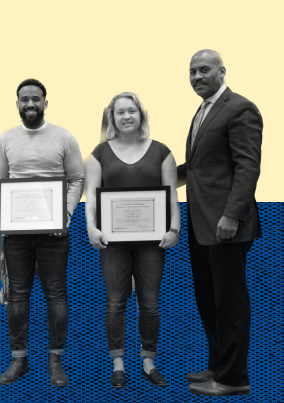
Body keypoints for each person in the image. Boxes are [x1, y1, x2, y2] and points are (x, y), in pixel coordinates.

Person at [178, 50, 262, 396]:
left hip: (226, 224)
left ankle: (233, 379)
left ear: (221, 71)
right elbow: (198, 168)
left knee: (229, 302)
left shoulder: (240, 108)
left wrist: (232, 214)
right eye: (192, 72)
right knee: (208, 300)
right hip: (201, 224)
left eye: (204, 70)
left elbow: (248, 167)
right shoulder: (202, 111)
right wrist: (149, 178)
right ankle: (218, 364)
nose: (197, 77)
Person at [85, 92, 181, 389]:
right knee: (115, 303)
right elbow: (91, 198)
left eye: (132, 111)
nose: (126, 116)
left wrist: (174, 230)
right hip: (111, 242)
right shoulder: (99, 153)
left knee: (150, 304)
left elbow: (172, 195)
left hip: (153, 242)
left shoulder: (162, 151)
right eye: (120, 112)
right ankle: (118, 364)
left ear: (141, 116)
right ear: (112, 118)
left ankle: (148, 363)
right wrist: (91, 228)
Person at [0, 79, 84, 387]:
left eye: (35, 99)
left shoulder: (64, 137)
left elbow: (76, 179)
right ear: (16, 104)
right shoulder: (5, 139)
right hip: (16, 232)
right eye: (24, 99)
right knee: (18, 295)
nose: (30, 104)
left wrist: (67, 213)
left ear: (46, 102)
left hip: (53, 233)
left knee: (56, 294)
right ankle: (19, 359)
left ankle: (55, 360)